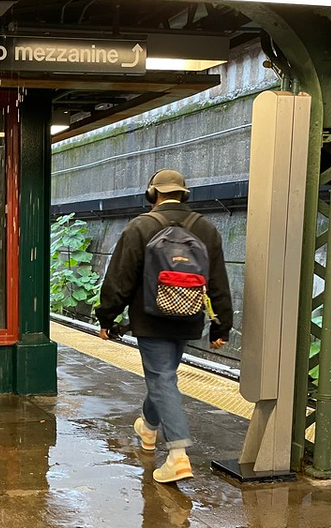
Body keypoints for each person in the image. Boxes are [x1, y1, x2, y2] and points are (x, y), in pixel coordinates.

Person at [96, 169, 233, 484]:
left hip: (150, 318)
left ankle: (177, 455)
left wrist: (107, 317)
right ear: (184, 194)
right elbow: (218, 282)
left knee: (161, 379)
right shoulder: (206, 229)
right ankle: (147, 427)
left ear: (152, 194)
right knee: (164, 377)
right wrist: (221, 326)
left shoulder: (140, 227)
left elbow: (120, 278)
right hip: (188, 317)